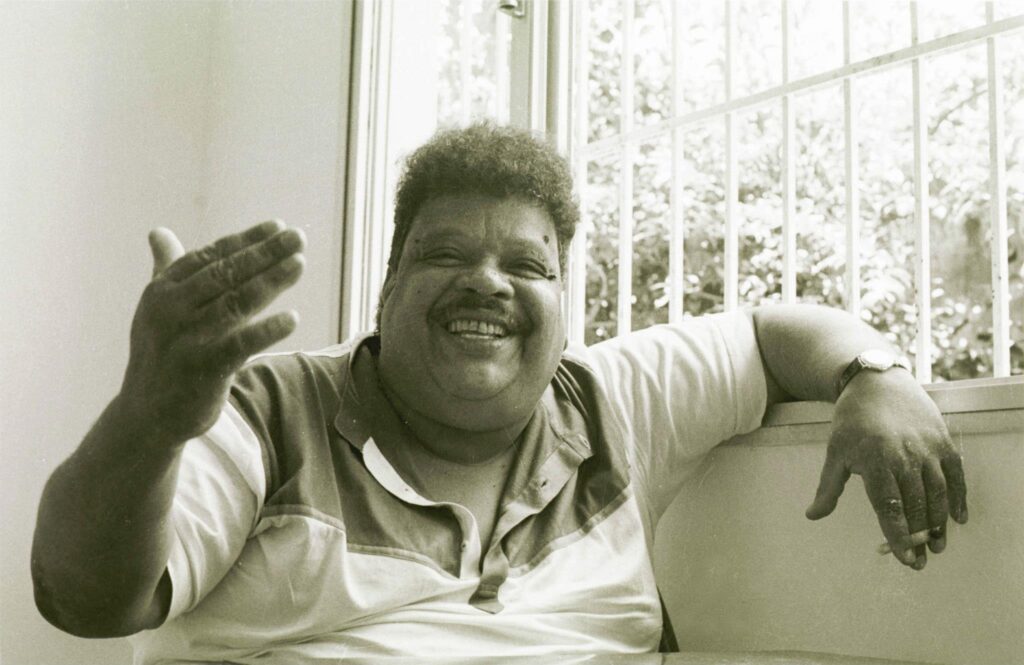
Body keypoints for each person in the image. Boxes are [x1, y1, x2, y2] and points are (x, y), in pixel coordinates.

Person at [32, 124, 967, 663]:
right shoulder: (269, 409)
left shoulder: (608, 401)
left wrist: (874, 377)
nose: (488, 282)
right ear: (387, 287)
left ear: (564, 305)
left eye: (527, 265)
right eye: (446, 253)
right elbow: (84, 600)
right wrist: (148, 418)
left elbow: (772, 332)